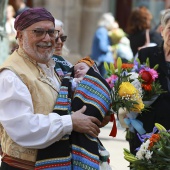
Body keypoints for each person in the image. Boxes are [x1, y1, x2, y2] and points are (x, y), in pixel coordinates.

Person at [0, 7, 101, 169]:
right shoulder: (11, 75)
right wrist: (70, 122)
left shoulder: (51, 66)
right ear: (20, 36)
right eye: (38, 32)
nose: (47, 38)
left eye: (51, 32)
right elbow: (24, 128)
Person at [35, 56, 114, 169]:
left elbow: (102, 111)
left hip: (82, 130)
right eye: (75, 70)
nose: (77, 71)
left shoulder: (97, 84)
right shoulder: (66, 78)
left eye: (62, 38)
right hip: (61, 127)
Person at [131, 8, 170, 155]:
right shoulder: (146, 55)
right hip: (147, 130)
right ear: (161, 30)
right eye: (169, 29)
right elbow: (131, 87)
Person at [91, 13, 116, 77]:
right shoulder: (102, 31)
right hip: (103, 62)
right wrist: (111, 48)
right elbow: (103, 47)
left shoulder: (101, 30)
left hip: (103, 62)